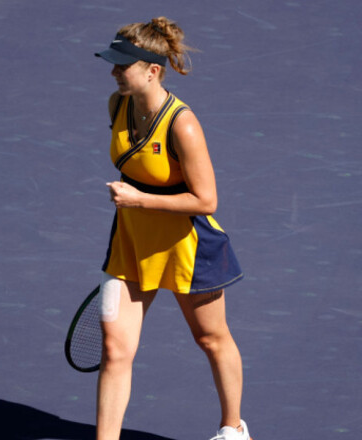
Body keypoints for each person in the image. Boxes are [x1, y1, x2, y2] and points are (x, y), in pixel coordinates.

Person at [93, 17, 252, 440]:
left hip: (187, 246)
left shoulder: (183, 125)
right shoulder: (117, 104)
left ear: (152, 70)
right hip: (131, 242)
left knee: (211, 339)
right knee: (114, 349)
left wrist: (139, 200)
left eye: (122, 64)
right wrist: (135, 205)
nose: (113, 71)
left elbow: (206, 201)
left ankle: (233, 429)